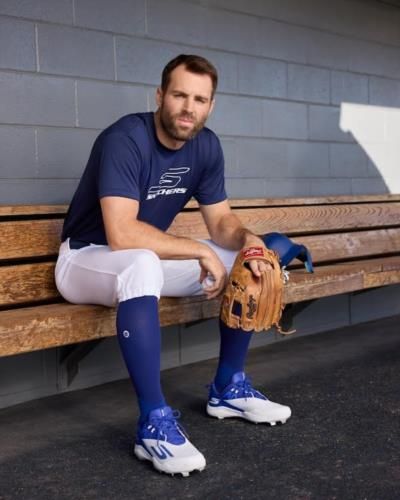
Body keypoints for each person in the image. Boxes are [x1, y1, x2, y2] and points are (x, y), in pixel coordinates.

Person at [55, 54, 291, 477]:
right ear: (160, 95)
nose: (189, 107)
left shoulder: (206, 145)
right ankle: (153, 422)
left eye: (200, 99)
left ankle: (228, 387)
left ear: (211, 105)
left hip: (141, 262)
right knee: (142, 262)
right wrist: (198, 252)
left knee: (256, 258)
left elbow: (220, 222)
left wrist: (250, 243)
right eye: (180, 95)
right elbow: (122, 235)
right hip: (85, 260)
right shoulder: (126, 138)